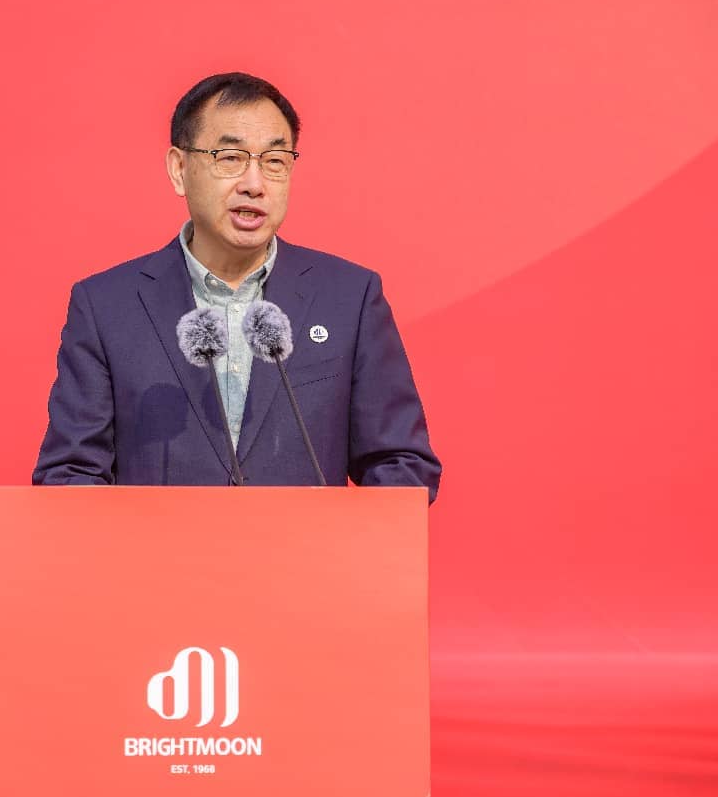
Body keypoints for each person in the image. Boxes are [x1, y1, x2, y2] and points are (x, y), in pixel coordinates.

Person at [33, 72, 440, 501]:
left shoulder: (349, 298)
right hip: (159, 547)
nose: (254, 184)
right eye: (230, 158)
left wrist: (345, 538)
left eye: (275, 161)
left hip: (304, 547)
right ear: (179, 169)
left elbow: (403, 464)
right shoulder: (106, 306)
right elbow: (70, 474)